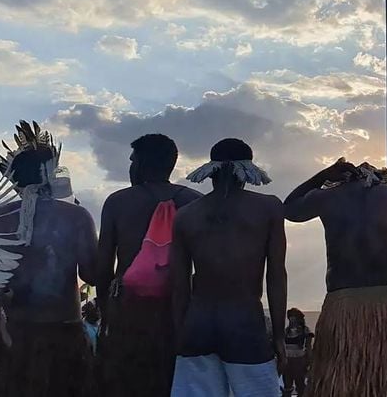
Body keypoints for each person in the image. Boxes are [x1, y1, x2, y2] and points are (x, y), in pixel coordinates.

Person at [285, 158, 387, 397]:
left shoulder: (328, 198)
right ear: (381, 179)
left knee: (339, 385)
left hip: (343, 303)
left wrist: (323, 175)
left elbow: (289, 209)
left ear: (341, 179)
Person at [0, 121, 98, 397]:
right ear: (52, 172)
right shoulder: (76, 217)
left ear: (12, 179)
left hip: (11, 336)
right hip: (65, 336)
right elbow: (94, 275)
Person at [170, 138, 286, 396]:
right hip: (244, 323)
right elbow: (276, 275)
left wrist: (180, 332)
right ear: (247, 171)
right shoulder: (268, 208)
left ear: (210, 170)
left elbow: (179, 285)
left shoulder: (186, 215)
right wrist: (279, 335)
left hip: (197, 325)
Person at [95, 134, 203, 397]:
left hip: (129, 313)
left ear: (141, 163)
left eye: (133, 161)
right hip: (181, 312)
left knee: (126, 384)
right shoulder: (196, 202)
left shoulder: (118, 202)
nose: (130, 166)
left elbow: (103, 265)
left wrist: (106, 315)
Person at [282, 309, 313, 397]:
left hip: (299, 361)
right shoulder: (286, 331)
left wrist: (310, 362)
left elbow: (308, 347)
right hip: (287, 360)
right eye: (290, 317)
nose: (292, 319)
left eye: (294, 317)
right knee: (287, 384)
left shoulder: (305, 330)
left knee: (300, 384)